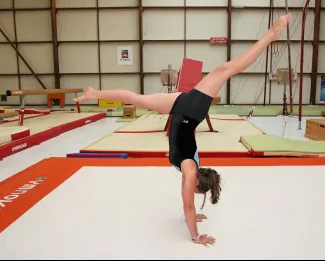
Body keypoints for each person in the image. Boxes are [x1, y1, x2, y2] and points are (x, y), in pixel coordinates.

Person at [73, 13, 291, 247]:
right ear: (197, 183)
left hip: (179, 106)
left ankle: (95, 94)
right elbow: (187, 205)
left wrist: (193, 214)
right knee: (227, 69)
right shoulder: (189, 171)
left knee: (138, 98)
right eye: (195, 190)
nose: (191, 192)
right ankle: (271, 34)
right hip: (189, 111)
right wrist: (196, 236)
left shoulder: (190, 170)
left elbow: (187, 201)